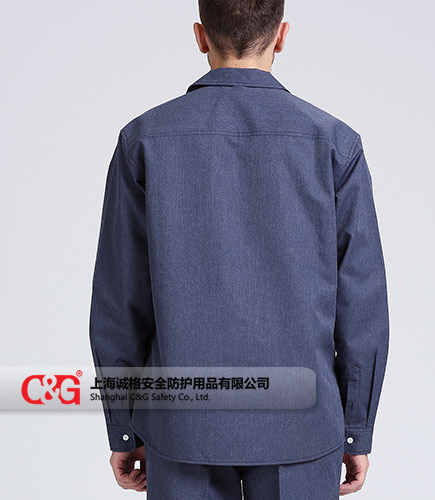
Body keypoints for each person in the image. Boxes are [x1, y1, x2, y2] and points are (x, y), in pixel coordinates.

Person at [90, 1, 389, 498]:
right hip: (302, 426)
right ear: (282, 35)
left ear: (200, 36)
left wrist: (123, 425)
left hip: (181, 427)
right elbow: (362, 305)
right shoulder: (335, 144)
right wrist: (356, 426)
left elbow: (119, 303)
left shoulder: (143, 140)